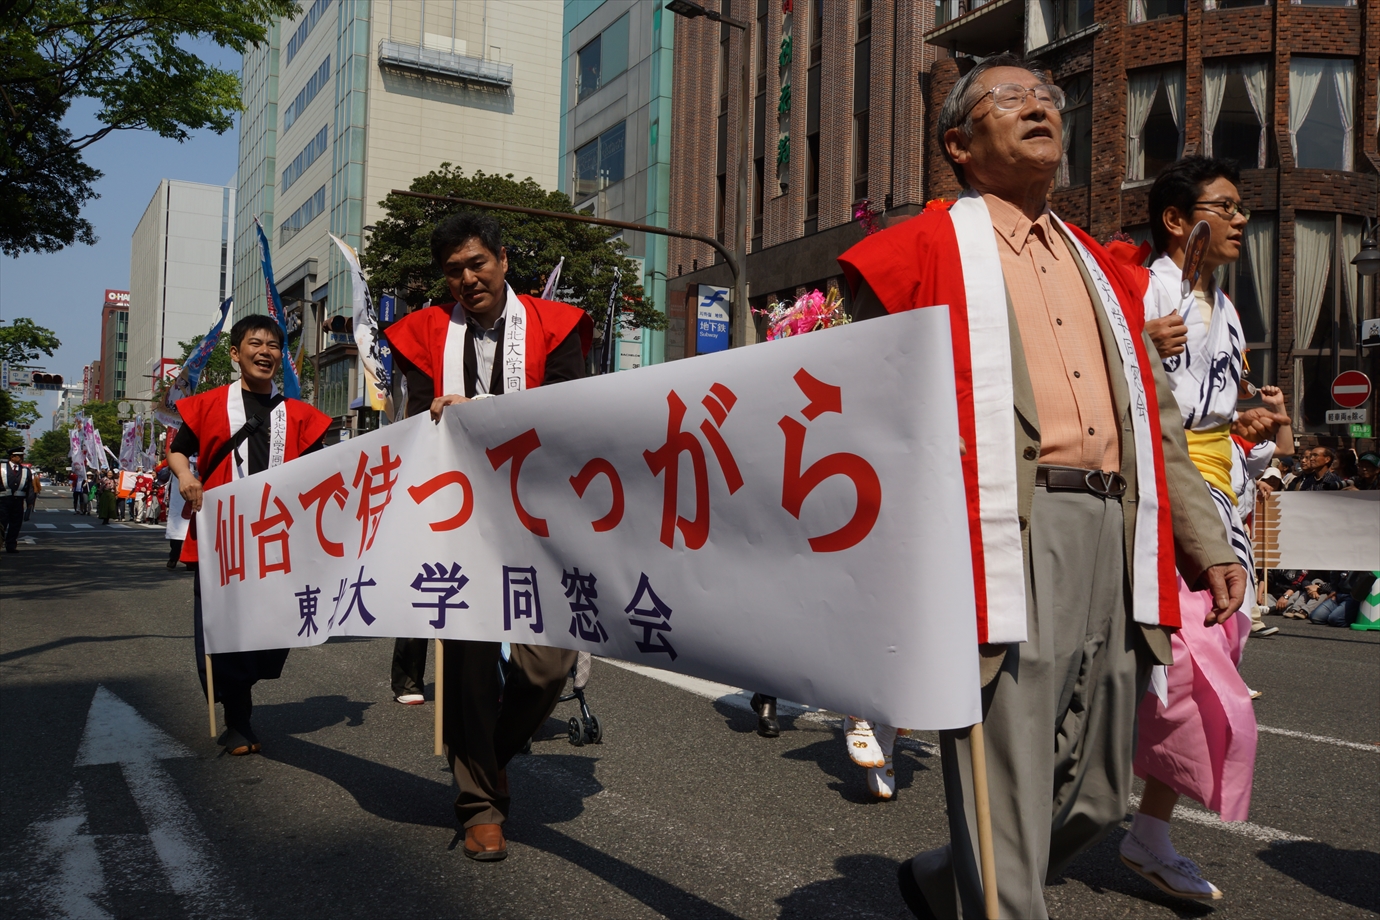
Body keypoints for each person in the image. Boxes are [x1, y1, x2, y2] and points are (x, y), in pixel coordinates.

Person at [837, 55, 1243, 920]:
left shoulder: (1105, 267)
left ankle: (948, 881)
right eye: (1010, 98)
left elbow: (1155, 420)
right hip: (1003, 528)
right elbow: (859, 408)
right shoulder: (917, 251)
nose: (1038, 107)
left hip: (1116, 534)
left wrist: (1204, 541)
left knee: (1098, 793)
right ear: (959, 142)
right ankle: (996, 897)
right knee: (1007, 777)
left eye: (1047, 98)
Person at [385, 211, 592, 862]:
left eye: (477, 263)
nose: (467, 278)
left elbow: (570, 412)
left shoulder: (558, 328)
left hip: (538, 517)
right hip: (458, 519)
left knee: (549, 663)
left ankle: (488, 755)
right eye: (454, 271)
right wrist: (438, 414)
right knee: (469, 667)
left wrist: (488, 414)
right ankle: (479, 804)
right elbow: (419, 422)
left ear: (503, 260)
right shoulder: (422, 335)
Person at [1127, 157, 1292, 901]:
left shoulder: (1222, 305)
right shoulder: (1149, 287)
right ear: (1175, 218)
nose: (1240, 219)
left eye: (1242, 207)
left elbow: (1214, 413)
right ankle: (1083, 809)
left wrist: (1251, 422)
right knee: (1175, 664)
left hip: (1218, 497)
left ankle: (1147, 832)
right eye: (1224, 206)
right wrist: (1136, 345)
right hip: (1166, 495)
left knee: (1206, 661)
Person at [167, 315, 332, 756]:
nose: (265, 352)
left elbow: (323, 471)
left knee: (277, 629)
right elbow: (179, 449)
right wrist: (186, 476)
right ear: (235, 353)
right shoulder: (208, 405)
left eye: (274, 345)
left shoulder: (299, 414)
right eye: (254, 343)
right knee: (222, 631)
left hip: (279, 539)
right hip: (221, 539)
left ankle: (241, 685)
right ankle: (238, 720)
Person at [2, 447, 36, 553]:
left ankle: (11, 544)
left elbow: (30, 487)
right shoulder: (1, 467)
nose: (22, 458)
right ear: (12, 457)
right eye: (20, 456)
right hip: (2, 501)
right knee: (1, 523)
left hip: (18, 501)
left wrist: (30, 502)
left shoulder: (25, 470)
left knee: (16, 523)